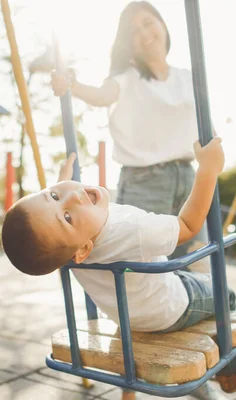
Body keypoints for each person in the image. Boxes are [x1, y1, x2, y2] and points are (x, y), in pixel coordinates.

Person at [1, 138, 236, 399]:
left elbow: (48, 223)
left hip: (127, 319)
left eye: (55, 194)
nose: (74, 195)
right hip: (171, 309)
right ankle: (231, 371)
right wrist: (208, 170)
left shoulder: (69, 252)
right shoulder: (130, 230)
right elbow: (187, 225)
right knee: (223, 293)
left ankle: (133, 391)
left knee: (178, 275)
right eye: (68, 217)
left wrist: (60, 185)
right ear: (81, 250)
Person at [50, 1, 210, 268]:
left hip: (188, 176)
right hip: (144, 182)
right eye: (134, 31)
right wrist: (71, 85)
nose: (144, 33)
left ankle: (197, 306)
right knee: (147, 268)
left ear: (162, 25)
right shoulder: (125, 79)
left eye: (148, 23)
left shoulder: (187, 78)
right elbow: (101, 96)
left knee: (200, 262)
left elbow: (204, 125)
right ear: (128, 44)